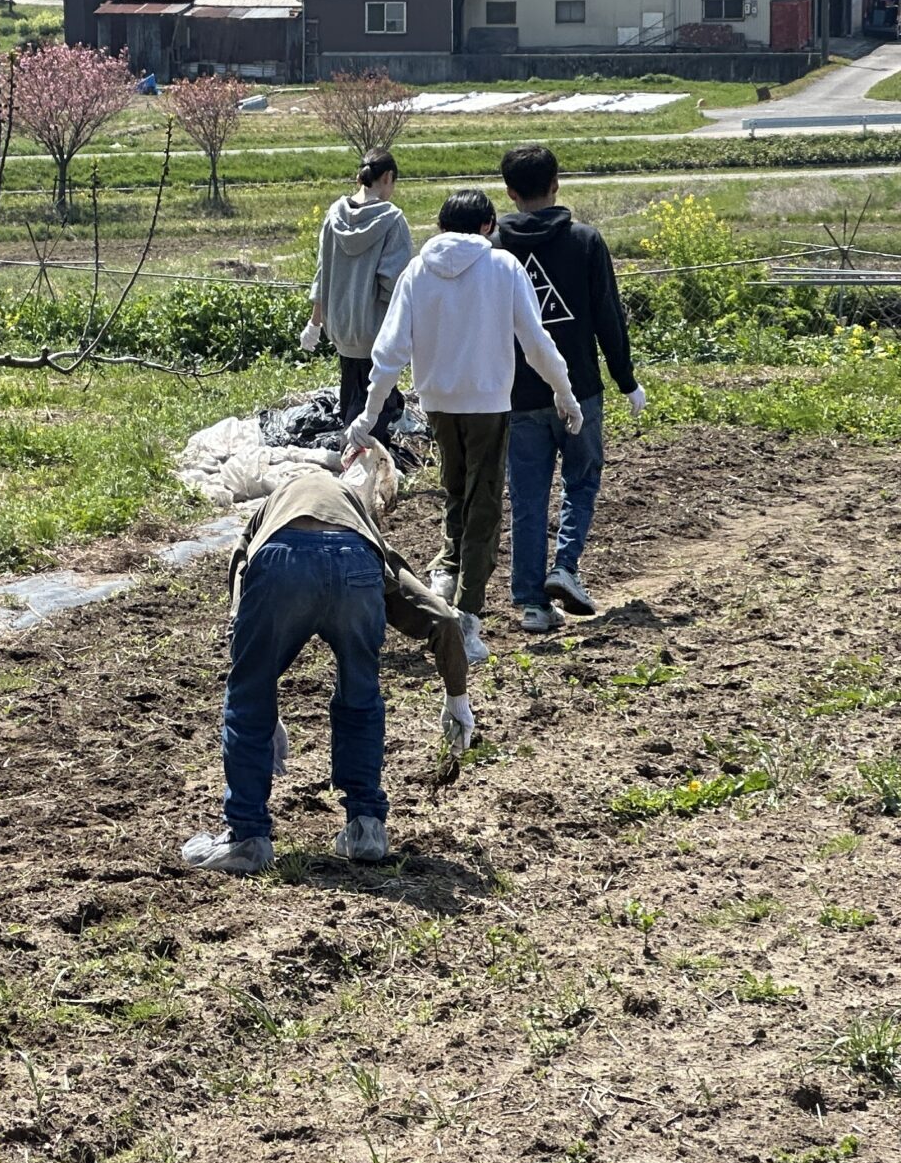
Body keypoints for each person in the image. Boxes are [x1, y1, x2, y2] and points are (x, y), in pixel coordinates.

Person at [182, 443, 476, 875]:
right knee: (361, 692)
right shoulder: (362, 526)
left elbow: (242, 580)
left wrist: (262, 700)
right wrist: (457, 697)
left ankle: (247, 836)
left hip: (281, 560)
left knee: (246, 697)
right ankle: (366, 828)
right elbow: (442, 617)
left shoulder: (275, 503)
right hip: (356, 569)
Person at [350, 188, 583, 668]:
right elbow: (535, 342)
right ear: (487, 225)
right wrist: (564, 391)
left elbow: (389, 348)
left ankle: (445, 577)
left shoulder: (418, 270)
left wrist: (370, 412)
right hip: (489, 402)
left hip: (438, 403)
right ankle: (468, 616)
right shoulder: (501, 268)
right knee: (485, 505)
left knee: (456, 493)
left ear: (440, 226)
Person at [494, 145, 647, 635]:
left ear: (511, 193)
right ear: (557, 184)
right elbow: (608, 316)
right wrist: (627, 380)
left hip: (517, 394)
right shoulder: (585, 241)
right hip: (578, 387)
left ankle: (532, 605)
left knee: (527, 495)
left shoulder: (494, 245)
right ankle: (565, 566)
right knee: (581, 480)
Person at [303, 151, 415, 445]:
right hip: (376, 332)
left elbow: (321, 273)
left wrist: (315, 323)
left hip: (340, 327)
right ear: (388, 177)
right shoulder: (392, 221)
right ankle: (363, 467)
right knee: (371, 410)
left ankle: (359, 445)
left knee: (352, 393)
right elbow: (395, 283)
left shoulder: (333, 215)